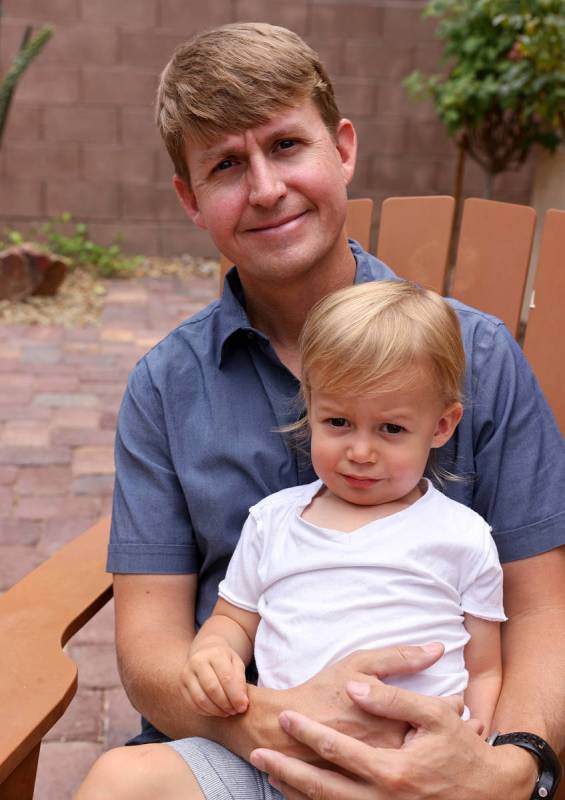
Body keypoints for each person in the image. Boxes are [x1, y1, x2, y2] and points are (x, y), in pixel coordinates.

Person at [75, 21, 565, 800]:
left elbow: (542, 611)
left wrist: (506, 768)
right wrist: (277, 720)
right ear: (190, 199)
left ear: (342, 149)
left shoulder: (478, 355)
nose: (266, 188)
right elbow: (152, 652)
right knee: (118, 785)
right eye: (227, 165)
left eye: (286, 146)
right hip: (244, 746)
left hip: (440, 756)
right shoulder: (167, 387)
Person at [174, 280, 505, 799]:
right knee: (120, 778)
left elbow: (485, 667)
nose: (361, 451)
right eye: (339, 421)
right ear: (310, 407)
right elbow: (233, 619)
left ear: (442, 425)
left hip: (414, 777)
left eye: (391, 429)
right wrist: (214, 653)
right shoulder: (273, 522)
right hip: (274, 767)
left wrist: (478, 738)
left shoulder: (462, 536)